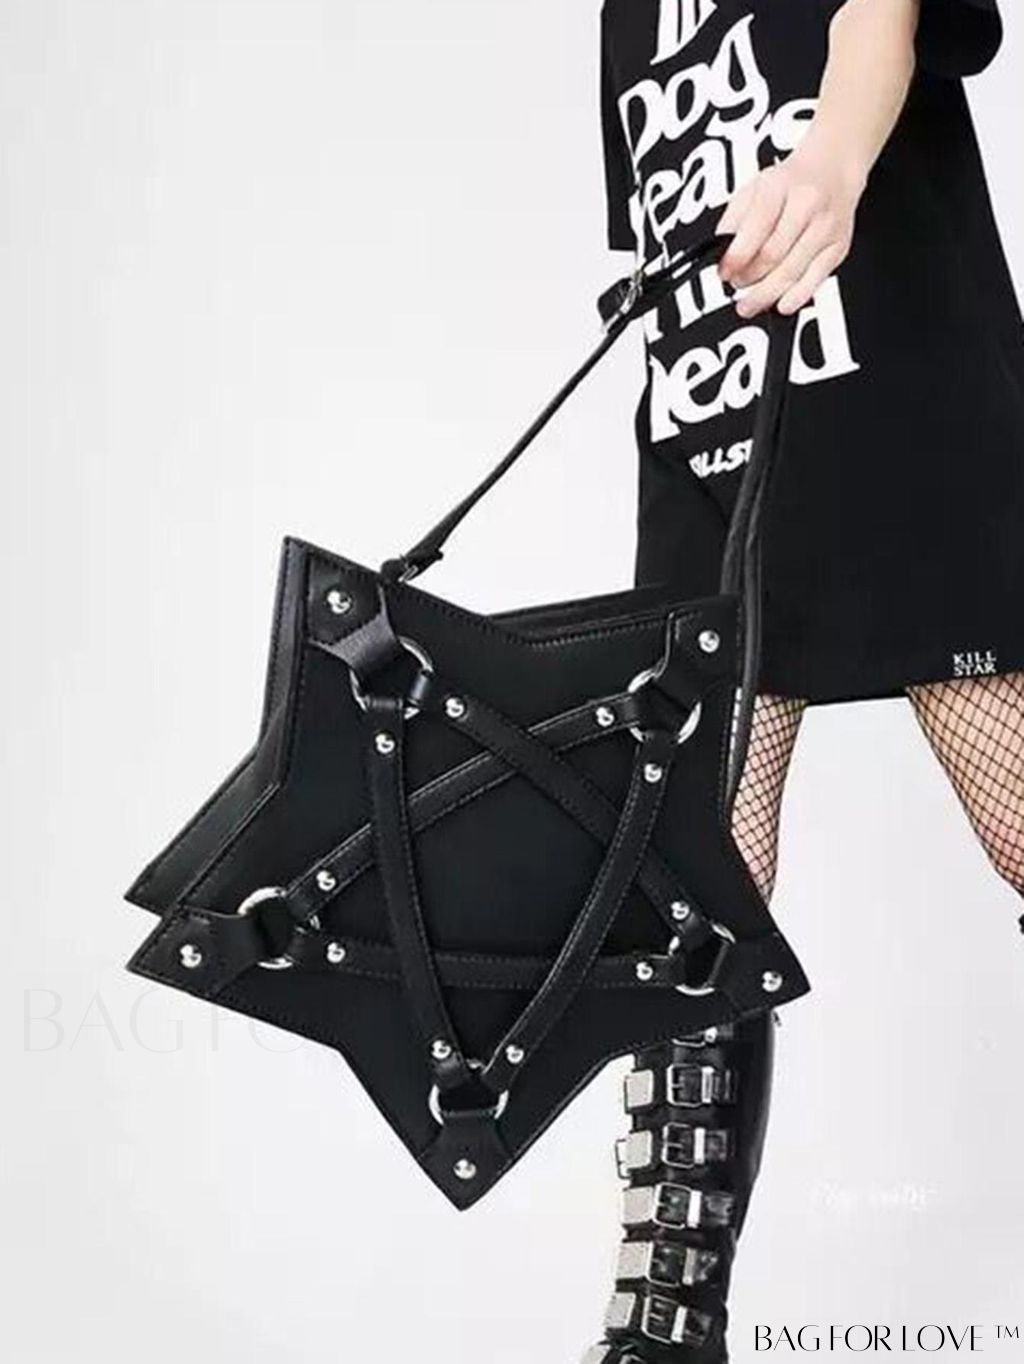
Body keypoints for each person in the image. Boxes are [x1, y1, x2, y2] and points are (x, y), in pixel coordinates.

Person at [586, 1, 1023, 1360]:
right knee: (687, 896)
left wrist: (832, 162)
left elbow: (881, 29)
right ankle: (667, 1325)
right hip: (716, 451)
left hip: (901, 408)